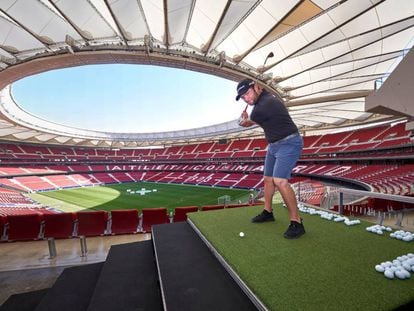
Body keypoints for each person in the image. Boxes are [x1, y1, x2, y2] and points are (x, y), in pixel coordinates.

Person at [236, 78, 305, 239]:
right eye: (243, 97)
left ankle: (297, 222)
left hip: (289, 142)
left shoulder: (264, 105)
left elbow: (248, 123)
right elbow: (253, 119)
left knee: (280, 181)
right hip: (273, 145)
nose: (246, 98)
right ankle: (268, 212)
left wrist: (243, 121)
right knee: (268, 178)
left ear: (257, 87)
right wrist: (247, 119)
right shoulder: (263, 99)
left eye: (247, 93)